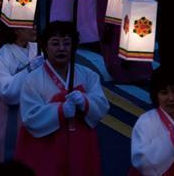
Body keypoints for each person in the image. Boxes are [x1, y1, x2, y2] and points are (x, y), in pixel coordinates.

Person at [14, 21, 109, 174]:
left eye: (67, 43)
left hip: (80, 145)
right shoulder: (32, 80)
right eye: (55, 43)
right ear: (45, 47)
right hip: (46, 147)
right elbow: (30, 116)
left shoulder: (88, 75)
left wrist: (85, 101)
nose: (62, 49)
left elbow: (102, 106)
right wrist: (59, 110)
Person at [0, 23, 43, 167]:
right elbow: (8, 93)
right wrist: (29, 69)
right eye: (31, 24)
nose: (35, 27)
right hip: (8, 120)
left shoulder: (40, 51)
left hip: (37, 116)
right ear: (17, 29)